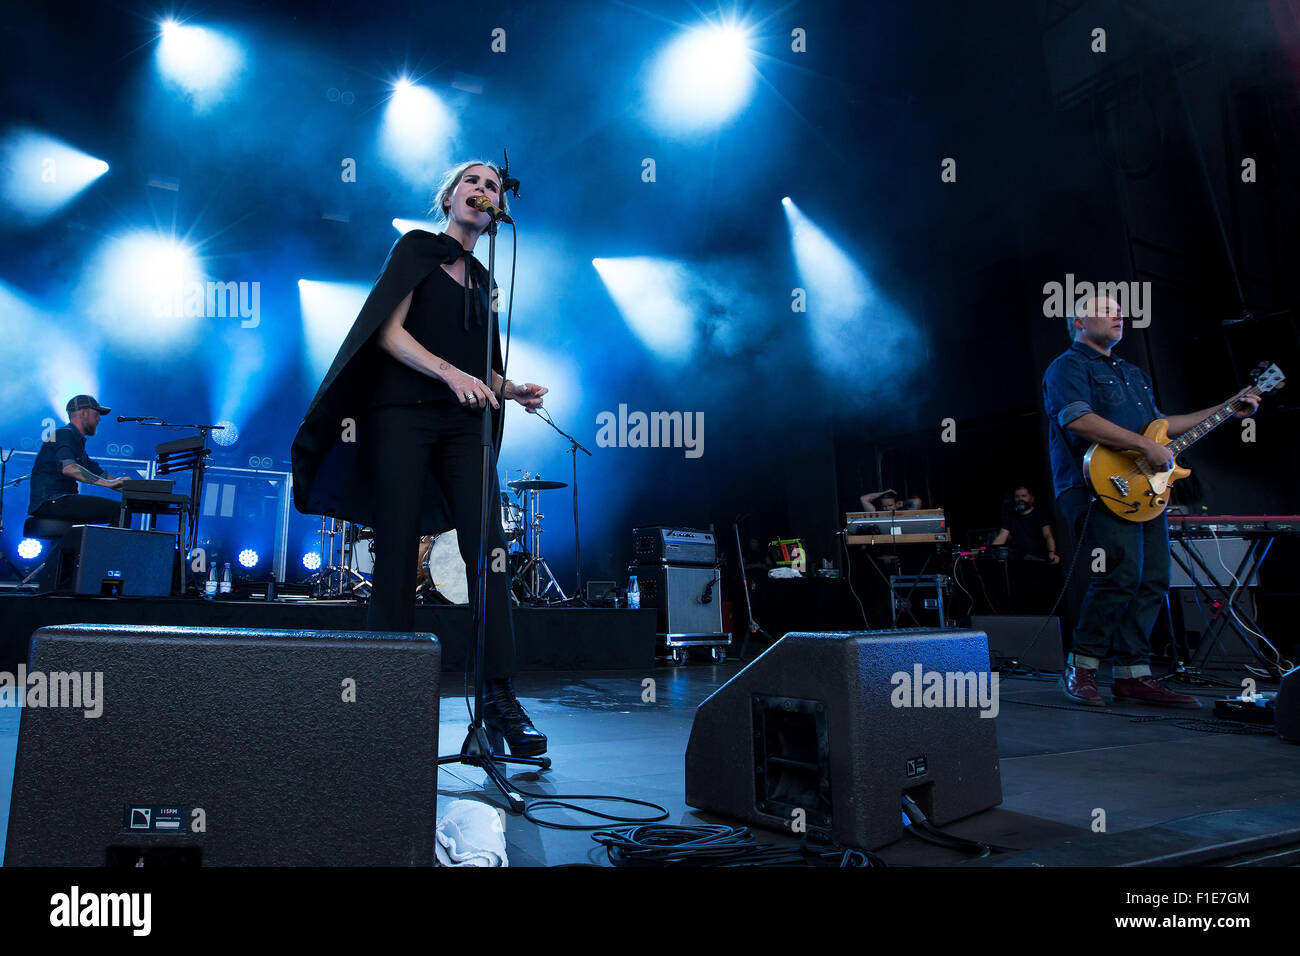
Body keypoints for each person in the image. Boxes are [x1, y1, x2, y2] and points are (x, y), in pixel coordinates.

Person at [291, 160, 549, 755]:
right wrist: (451, 373)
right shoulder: (417, 249)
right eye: (472, 182)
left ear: (499, 210)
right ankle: (385, 697)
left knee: (490, 550)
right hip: (403, 413)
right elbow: (387, 332)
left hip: (464, 424)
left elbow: (474, 357)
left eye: (492, 187)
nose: (482, 191)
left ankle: (498, 698)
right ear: (450, 195)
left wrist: (508, 388)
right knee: (397, 545)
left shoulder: (484, 279)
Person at [1042, 294, 1259, 707]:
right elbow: (1078, 419)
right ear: (1078, 321)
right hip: (1092, 486)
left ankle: (1133, 675)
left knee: (1154, 577)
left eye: (1119, 310)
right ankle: (1081, 667)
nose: (1118, 315)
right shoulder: (1066, 366)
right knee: (1119, 574)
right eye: (1106, 310)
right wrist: (1145, 445)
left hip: (1144, 491)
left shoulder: (1133, 374)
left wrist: (1227, 408)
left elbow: (1162, 427)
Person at [28, 395, 126, 525]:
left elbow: (100, 474)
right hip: (51, 500)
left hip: (59, 500)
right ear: (84, 413)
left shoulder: (76, 443)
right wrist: (109, 484)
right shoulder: (64, 434)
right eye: (96, 414)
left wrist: (134, 492)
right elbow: (69, 468)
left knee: (115, 511)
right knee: (119, 511)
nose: (99, 419)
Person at [991, 486, 1059, 564]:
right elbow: (1002, 536)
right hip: (1020, 560)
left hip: (1040, 558)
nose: (1020, 499)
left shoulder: (1041, 514)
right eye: (1017, 496)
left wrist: (1051, 552)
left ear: (1032, 498)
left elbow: (1048, 535)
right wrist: (989, 552)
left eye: (1023, 496)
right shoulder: (1011, 517)